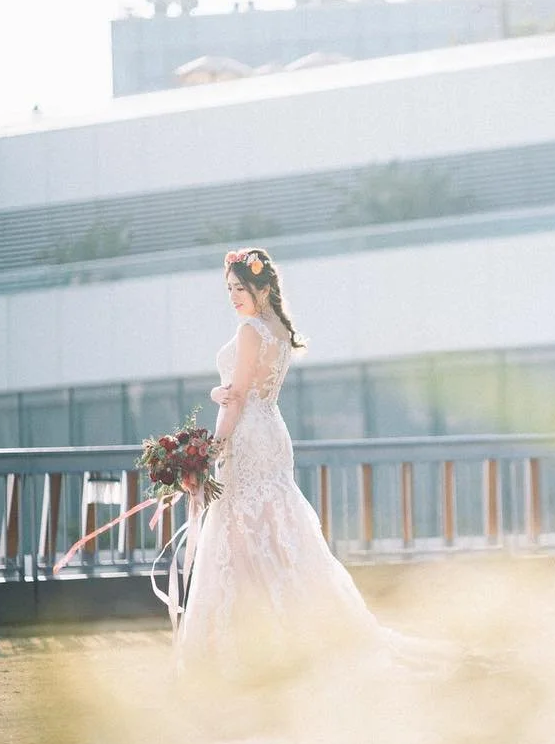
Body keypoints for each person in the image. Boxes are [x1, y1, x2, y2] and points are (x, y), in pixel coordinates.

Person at [177, 247, 446, 678]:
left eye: (240, 288)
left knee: (240, 529)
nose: (233, 296)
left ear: (262, 288)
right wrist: (217, 394)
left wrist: (210, 450)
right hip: (272, 431)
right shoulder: (279, 330)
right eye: (228, 289)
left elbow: (238, 397)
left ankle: (248, 646)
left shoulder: (250, 331)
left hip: (246, 436)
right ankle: (288, 632)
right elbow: (241, 390)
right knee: (275, 526)